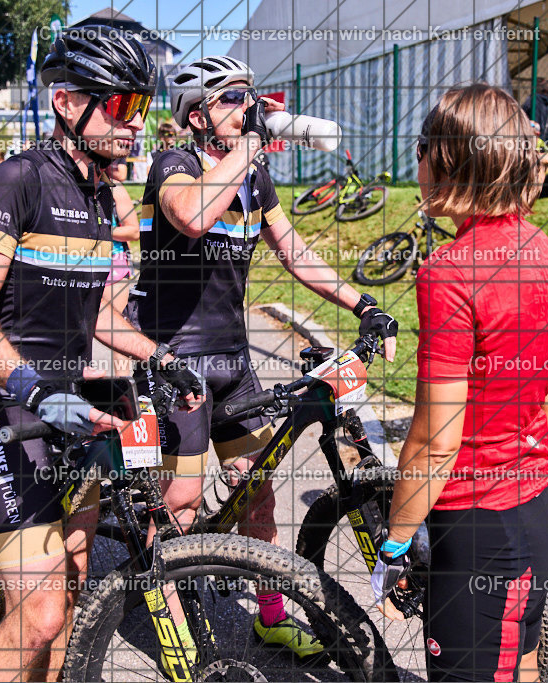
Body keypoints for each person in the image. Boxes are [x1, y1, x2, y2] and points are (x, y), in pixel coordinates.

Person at [0, 25, 202, 683]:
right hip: (10, 408)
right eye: (121, 105)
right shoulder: (17, 180)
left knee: (74, 580)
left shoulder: (97, 197)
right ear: (66, 102)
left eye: (140, 108)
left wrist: (159, 357)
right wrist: (38, 392)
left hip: (74, 412)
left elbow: (95, 315)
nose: (133, 125)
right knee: (40, 612)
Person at [131, 54, 399, 663]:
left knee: (259, 493)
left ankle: (271, 617)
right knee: (178, 501)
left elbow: (295, 252)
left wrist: (363, 304)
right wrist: (249, 144)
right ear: (197, 115)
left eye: (250, 99)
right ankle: (171, 626)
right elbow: (192, 217)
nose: (248, 109)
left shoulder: (253, 175)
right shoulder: (174, 163)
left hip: (229, 356)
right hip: (173, 357)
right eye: (231, 100)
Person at [370, 85, 548, 683]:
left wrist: (397, 540)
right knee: (522, 665)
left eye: (422, 147)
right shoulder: (545, 251)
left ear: (452, 158)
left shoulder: (449, 273)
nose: (417, 161)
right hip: (536, 511)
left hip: (479, 528)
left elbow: (436, 437)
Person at [101, 158, 139, 377]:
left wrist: (101, 231)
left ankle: (125, 396)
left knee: (117, 335)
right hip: (77, 264)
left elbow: (133, 231)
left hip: (113, 266)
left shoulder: (115, 189)